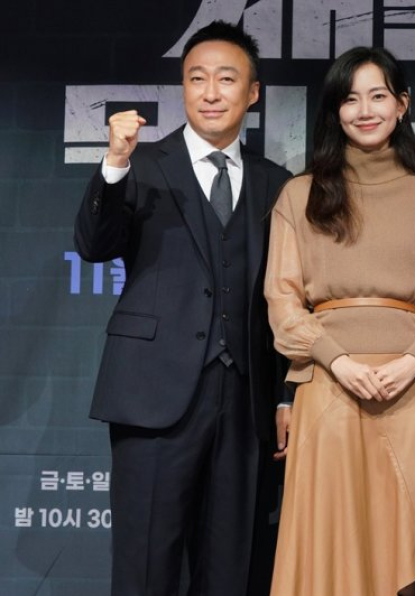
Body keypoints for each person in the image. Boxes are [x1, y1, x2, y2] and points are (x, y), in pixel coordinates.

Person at [74, 20, 292, 596]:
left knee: (232, 570)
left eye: (226, 78)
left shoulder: (278, 184)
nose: (210, 92)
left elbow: (287, 299)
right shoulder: (141, 166)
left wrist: (284, 394)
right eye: (197, 78)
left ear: (252, 92)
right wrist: (114, 161)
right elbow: (94, 245)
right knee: (146, 566)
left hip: (245, 401)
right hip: (152, 395)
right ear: (183, 87)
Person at [264, 46, 415, 596]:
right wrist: (339, 362)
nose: (365, 110)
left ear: (402, 105)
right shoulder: (299, 194)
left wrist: (412, 362)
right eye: (350, 99)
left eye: (378, 96)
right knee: (330, 552)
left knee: (412, 554)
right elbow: (282, 304)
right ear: (335, 110)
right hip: (329, 389)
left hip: (412, 393)